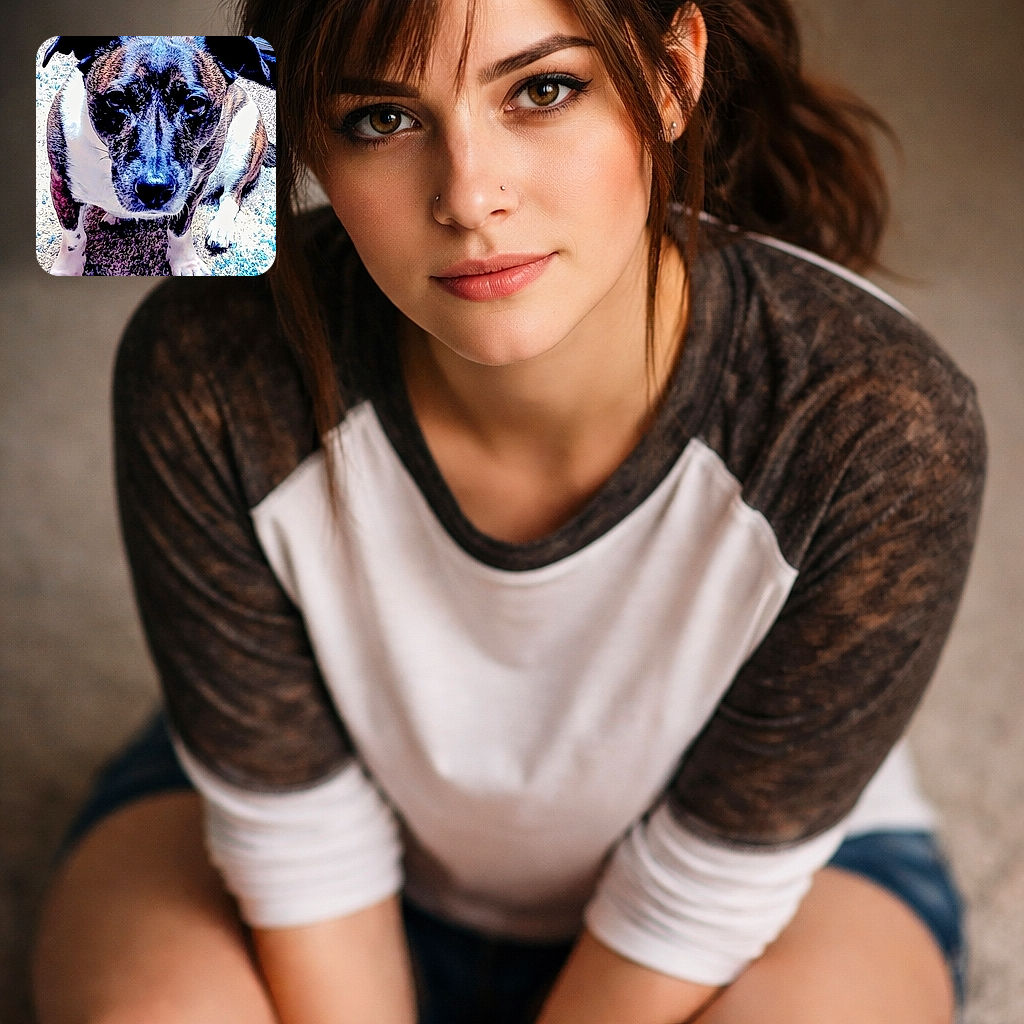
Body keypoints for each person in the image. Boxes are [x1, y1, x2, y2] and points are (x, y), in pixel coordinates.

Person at [31, 0, 985, 1022]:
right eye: (381, 119)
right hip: (299, 853)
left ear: (671, 76)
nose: (470, 197)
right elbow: (297, 844)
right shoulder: (203, 363)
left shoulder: (876, 420)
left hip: (748, 902)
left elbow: (702, 895)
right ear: (302, 133)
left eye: (543, 90)